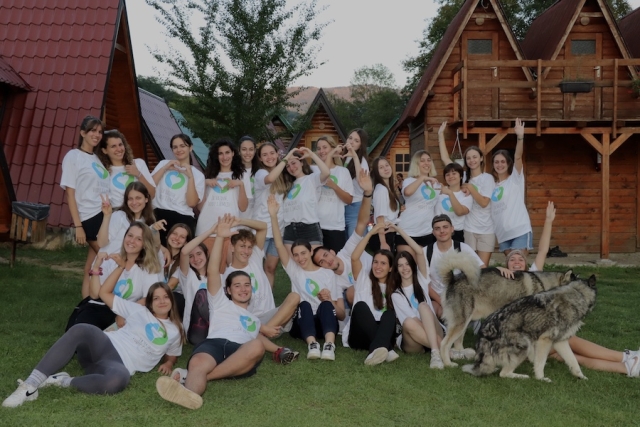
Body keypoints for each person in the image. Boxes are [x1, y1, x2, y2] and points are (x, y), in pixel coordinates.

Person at [155, 215, 298, 410]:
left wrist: (279, 349)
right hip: (214, 343)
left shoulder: (253, 319)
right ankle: (190, 394)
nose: (243, 289)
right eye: (237, 285)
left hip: (240, 349)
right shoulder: (220, 302)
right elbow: (213, 270)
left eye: (247, 285)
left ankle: (189, 379)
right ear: (228, 290)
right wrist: (220, 237)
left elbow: (260, 338)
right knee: (198, 362)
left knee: (256, 346)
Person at [498, 202, 640, 378]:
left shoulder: (534, 276)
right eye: (512, 260)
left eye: (520, 259)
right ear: (506, 266)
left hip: (539, 340)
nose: (517, 261)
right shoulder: (501, 283)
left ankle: (627, 368)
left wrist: (549, 221)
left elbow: (543, 250)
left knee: (562, 354)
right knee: (568, 339)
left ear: (526, 265)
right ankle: (626, 356)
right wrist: (498, 272)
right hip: (523, 341)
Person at [2, 277, 184, 408]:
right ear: (149, 303)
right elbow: (103, 293)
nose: (162, 301)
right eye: (156, 298)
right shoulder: (137, 310)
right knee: (82, 328)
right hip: (104, 346)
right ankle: (30, 386)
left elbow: (173, 354)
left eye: (166, 297)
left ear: (172, 299)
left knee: (118, 381)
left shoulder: (176, 331)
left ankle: (63, 381)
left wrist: (168, 363)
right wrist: (119, 266)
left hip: (118, 365)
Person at [269, 195, 342, 360]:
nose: (300, 258)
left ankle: (330, 345)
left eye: (303, 253)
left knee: (325, 305)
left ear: (310, 252)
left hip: (325, 321)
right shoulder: (295, 271)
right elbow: (280, 245)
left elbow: (339, 312)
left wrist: (329, 299)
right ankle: (312, 344)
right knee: (304, 305)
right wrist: (273, 216)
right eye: (296, 255)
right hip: (303, 323)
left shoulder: (327, 273)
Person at [66, 223, 165, 331]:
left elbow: (148, 298)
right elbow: (94, 295)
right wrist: (96, 267)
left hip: (125, 311)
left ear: (145, 244)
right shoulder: (112, 259)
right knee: (82, 334)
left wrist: (125, 312)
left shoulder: (148, 268)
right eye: (130, 236)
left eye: (138, 239)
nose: (132, 241)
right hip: (100, 307)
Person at [221, 219, 300, 338]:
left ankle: (262, 335)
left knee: (294, 297)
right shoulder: (228, 274)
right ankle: (262, 335)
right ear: (232, 247)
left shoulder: (254, 257)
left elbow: (263, 227)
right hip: (249, 321)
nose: (246, 251)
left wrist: (239, 222)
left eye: (249, 247)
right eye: (242, 246)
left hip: (272, 318)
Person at [60, 115, 110, 298]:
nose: (97, 135)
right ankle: (107, 302)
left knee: (90, 267)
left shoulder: (96, 159)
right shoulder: (73, 157)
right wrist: (78, 226)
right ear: (83, 133)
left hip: (104, 216)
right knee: (110, 260)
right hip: (89, 217)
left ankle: (85, 306)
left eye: (99, 132)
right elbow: (70, 193)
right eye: (92, 131)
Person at [311, 169, 374, 309]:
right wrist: (327, 301)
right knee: (350, 293)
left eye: (326, 255)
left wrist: (367, 193)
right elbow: (339, 312)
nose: (328, 260)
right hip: (364, 294)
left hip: (380, 278)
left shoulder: (347, 251)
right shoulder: (335, 281)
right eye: (322, 262)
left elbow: (362, 222)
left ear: (333, 252)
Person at [439, 122, 495, 266]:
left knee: (483, 269)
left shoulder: (487, 178)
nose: (472, 160)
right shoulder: (463, 177)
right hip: (469, 228)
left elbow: (483, 203)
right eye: (468, 158)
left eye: (475, 157)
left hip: (486, 229)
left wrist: (470, 188)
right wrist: (440, 135)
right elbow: (446, 161)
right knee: (469, 268)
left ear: (481, 158)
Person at [343, 221, 398, 365]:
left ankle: (375, 352)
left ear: (391, 268)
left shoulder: (394, 286)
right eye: (375, 262)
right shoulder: (363, 277)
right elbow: (354, 257)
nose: (378, 266)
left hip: (384, 332)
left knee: (390, 314)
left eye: (383, 263)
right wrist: (371, 233)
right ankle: (385, 348)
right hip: (359, 335)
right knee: (360, 306)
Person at [389, 235, 445, 369]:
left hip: (435, 331)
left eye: (407, 264)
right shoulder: (396, 294)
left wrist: (399, 231)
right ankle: (446, 350)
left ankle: (436, 353)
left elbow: (419, 252)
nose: (405, 268)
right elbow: (412, 321)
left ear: (413, 265)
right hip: (414, 341)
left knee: (424, 306)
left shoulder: (421, 279)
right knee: (408, 322)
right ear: (396, 270)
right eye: (400, 265)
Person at [268, 147, 330, 253]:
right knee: (294, 267)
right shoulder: (287, 186)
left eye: (294, 163)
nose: (291, 168)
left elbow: (326, 172)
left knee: (314, 264)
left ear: (301, 162)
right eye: (288, 166)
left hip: (309, 229)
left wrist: (312, 154)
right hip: (290, 230)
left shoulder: (311, 179)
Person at [426, 214, 485, 318]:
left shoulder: (462, 247)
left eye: (445, 227)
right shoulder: (426, 251)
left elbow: (482, 268)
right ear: (433, 232)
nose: (442, 231)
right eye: (437, 228)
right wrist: (443, 303)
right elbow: (425, 283)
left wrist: (498, 269)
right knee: (435, 312)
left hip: (460, 296)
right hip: (437, 296)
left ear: (452, 229)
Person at [151, 134, 205, 246]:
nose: (178, 150)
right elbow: (148, 188)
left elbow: (191, 203)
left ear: (190, 147)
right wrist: (164, 168)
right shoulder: (163, 164)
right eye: (175, 147)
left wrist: (190, 177)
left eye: (182, 146)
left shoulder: (198, 175)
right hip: (158, 213)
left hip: (182, 218)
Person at [491, 118, 532, 257]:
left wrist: (520, 137)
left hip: (519, 231)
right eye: (496, 162)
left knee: (520, 267)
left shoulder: (515, 179)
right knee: (511, 271)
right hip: (503, 235)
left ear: (508, 163)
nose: (499, 164)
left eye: (503, 161)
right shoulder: (492, 185)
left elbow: (518, 157)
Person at [196, 138, 248, 241]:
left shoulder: (242, 176)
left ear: (233, 153)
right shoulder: (208, 175)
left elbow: (243, 208)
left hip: (229, 229)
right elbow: (200, 208)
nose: (224, 157)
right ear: (216, 156)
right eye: (220, 153)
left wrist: (240, 185)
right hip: (206, 229)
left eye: (227, 152)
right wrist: (205, 184)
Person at [312, 135, 354, 253]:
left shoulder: (343, 172)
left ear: (333, 149)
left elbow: (349, 200)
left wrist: (335, 187)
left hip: (335, 226)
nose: (321, 151)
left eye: (325, 147)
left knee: (335, 263)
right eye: (319, 148)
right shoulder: (313, 170)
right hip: (315, 226)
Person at [96, 182, 163, 255]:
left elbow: (153, 250)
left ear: (146, 199)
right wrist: (107, 216)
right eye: (130, 199)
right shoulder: (119, 216)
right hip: (109, 262)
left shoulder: (148, 222)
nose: (134, 202)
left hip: (131, 265)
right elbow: (101, 243)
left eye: (138, 198)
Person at [253, 142, 287, 286]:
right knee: (255, 267)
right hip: (262, 229)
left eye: (272, 153)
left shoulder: (283, 174)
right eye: (265, 155)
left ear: (277, 153)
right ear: (260, 158)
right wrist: (285, 160)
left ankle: (269, 302)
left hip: (279, 229)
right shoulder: (261, 173)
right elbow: (270, 179)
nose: (269, 157)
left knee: (270, 268)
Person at [396, 150, 440, 258]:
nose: (426, 163)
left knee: (425, 267)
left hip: (427, 231)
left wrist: (464, 189)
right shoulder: (409, 181)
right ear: (416, 164)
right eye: (422, 161)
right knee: (409, 265)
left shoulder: (435, 183)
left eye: (429, 160)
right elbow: (407, 192)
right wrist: (422, 178)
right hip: (407, 230)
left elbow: (448, 193)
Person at [97, 129, 155, 208]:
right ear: (104, 150)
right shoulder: (104, 172)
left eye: (120, 144)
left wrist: (138, 174)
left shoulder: (138, 163)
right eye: (113, 146)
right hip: (119, 214)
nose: (119, 149)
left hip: (141, 214)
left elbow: (152, 194)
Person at [435, 162, 473, 243]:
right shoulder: (438, 191)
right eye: (447, 174)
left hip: (457, 233)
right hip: (438, 231)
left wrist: (450, 193)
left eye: (454, 173)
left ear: (461, 176)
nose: (451, 176)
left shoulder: (466, 195)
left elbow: (460, 212)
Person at [369, 157, 399, 253]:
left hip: (390, 231)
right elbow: (380, 217)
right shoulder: (381, 190)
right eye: (381, 167)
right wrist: (383, 242)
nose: (386, 168)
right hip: (383, 235)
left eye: (387, 165)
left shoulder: (387, 189)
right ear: (377, 172)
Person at [343, 129, 369, 238]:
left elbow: (361, 181)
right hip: (342, 206)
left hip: (356, 207)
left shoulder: (362, 161)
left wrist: (354, 156)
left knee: (353, 246)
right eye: (350, 138)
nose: (352, 142)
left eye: (356, 140)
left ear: (361, 144)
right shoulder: (344, 158)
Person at [164, 223, 192, 318]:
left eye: (182, 237)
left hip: (174, 302)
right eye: (174, 234)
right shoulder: (158, 254)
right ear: (168, 235)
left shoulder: (184, 262)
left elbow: (171, 285)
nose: (176, 238)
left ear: (186, 242)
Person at [239, 136, 259, 220]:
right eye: (244, 149)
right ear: (238, 151)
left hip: (257, 217)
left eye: (251, 149)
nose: (247, 153)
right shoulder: (234, 172)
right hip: (238, 217)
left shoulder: (261, 172)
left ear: (255, 151)